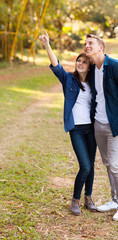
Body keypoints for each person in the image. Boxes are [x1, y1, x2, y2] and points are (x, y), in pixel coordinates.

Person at [39, 30, 97, 216]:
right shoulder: (68, 80)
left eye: (84, 62)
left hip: (92, 129)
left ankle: (89, 197)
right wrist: (47, 44)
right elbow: (56, 66)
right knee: (85, 166)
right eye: (78, 61)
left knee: (92, 165)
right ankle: (75, 200)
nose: (80, 64)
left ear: (90, 66)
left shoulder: (94, 82)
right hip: (77, 130)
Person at [84, 34, 118, 221]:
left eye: (90, 43)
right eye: (85, 43)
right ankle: (114, 200)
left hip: (116, 124)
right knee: (107, 164)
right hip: (99, 124)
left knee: (115, 165)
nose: (86, 46)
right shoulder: (93, 69)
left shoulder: (116, 66)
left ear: (101, 47)